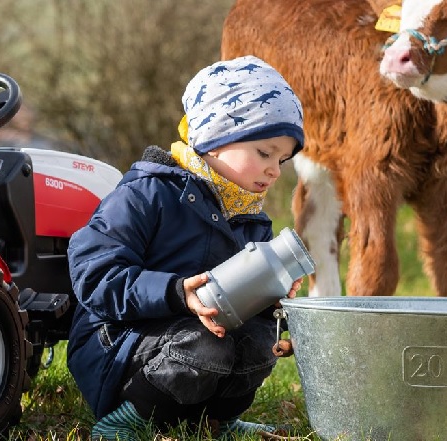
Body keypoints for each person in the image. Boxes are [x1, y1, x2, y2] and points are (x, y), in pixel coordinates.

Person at [65, 55, 306, 440]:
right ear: (216, 139)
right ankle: (124, 420)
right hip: (118, 348)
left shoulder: (251, 218)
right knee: (206, 341)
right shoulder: (147, 194)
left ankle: (216, 419)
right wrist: (175, 292)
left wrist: (272, 302)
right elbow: (94, 275)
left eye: (282, 159)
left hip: (186, 346)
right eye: (265, 153)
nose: (275, 170)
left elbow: (243, 308)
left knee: (257, 341)